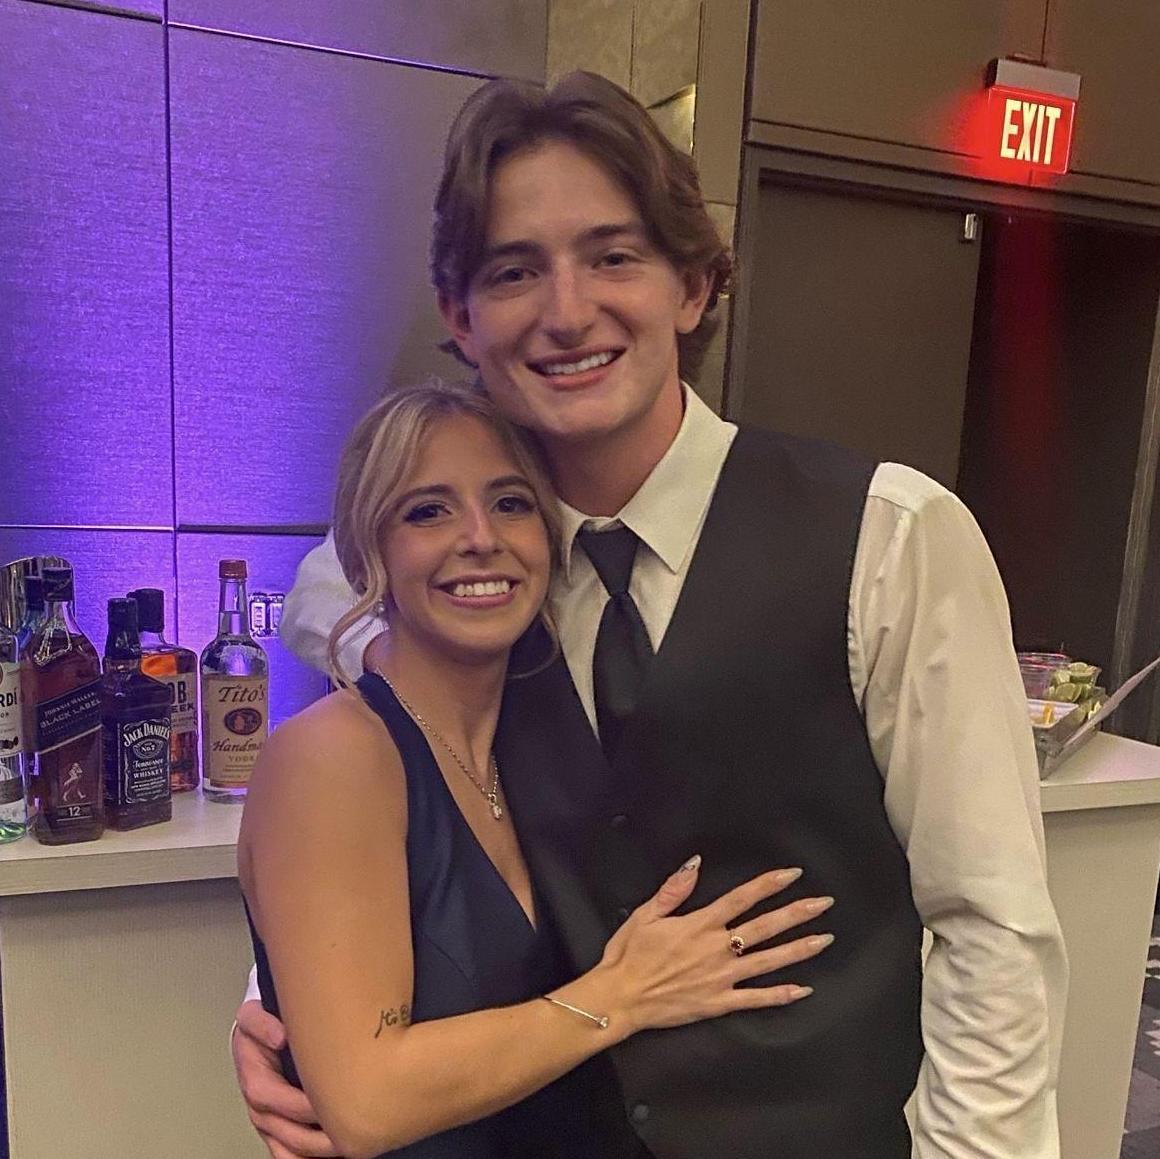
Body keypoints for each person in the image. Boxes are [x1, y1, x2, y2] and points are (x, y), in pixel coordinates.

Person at [234, 71, 1068, 1159]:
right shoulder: (468, 572)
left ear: (693, 285)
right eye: (514, 270)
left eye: (613, 256)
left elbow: (991, 927)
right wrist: (280, 1003)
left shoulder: (890, 536)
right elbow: (369, 797)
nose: (567, 310)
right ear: (462, 318)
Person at [238, 382, 834, 1159]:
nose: (480, 537)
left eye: (511, 503)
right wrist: (621, 995)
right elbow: (366, 1101)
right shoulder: (334, 756)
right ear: (365, 554)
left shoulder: (536, 741)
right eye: (427, 511)